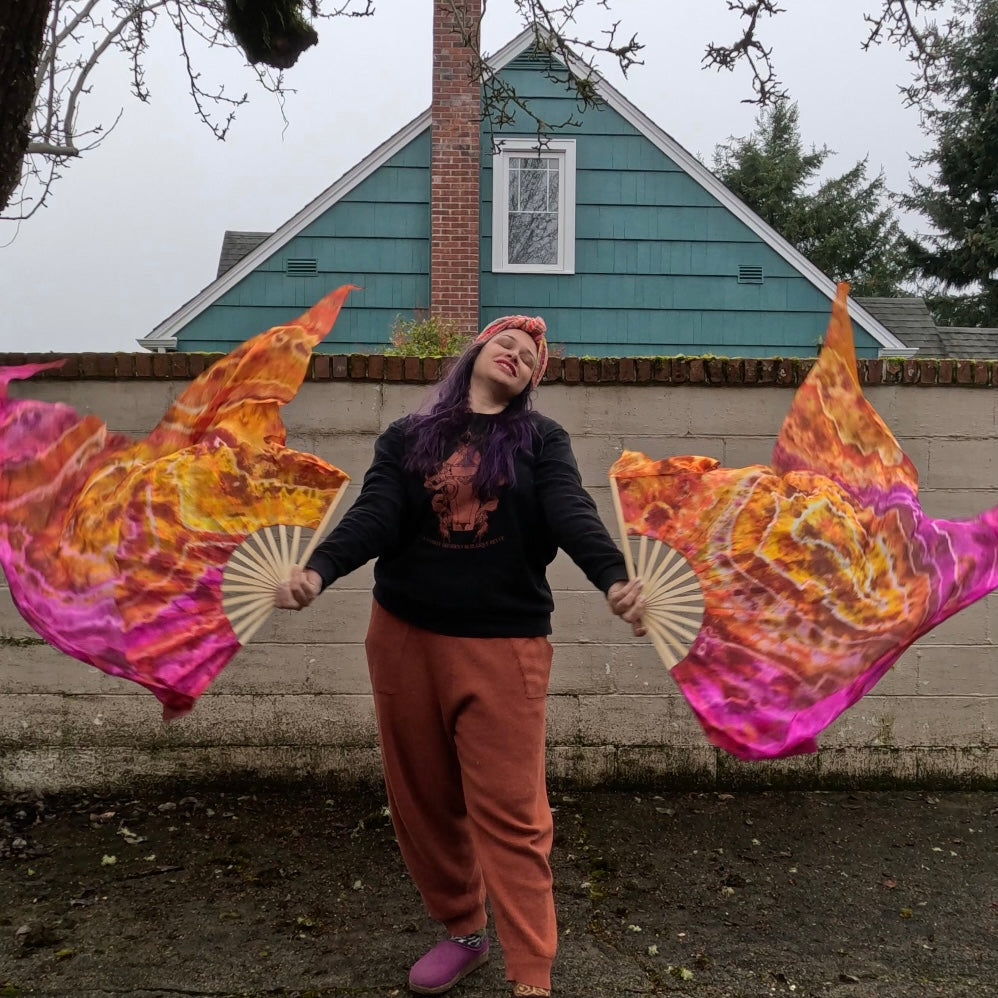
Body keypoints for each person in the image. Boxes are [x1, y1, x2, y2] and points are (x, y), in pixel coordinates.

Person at [275, 315, 644, 997]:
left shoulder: (540, 439)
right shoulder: (408, 437)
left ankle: (531, 972)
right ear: (477, 351)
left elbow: (570, 511)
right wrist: (319, 570)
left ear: (532, 380)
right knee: (423, 799)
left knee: (512, 812)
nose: (517, 353)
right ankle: (464, 931)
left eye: (531, 356)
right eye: (507, 341)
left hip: (504, 646)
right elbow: (378, 512)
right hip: (404, 638)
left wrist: (614, 577)